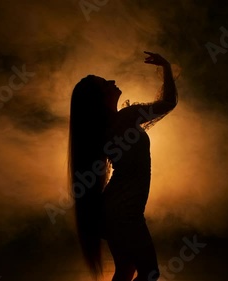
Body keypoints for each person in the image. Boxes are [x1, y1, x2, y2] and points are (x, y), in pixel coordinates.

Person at [68, 51, 178, 281]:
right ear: (99, 98)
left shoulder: (98, 131)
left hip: (114, 209)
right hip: (124, 211)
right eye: (105, 84)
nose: (112, 82)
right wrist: (166, 68)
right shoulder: (128, 117)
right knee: (149, 272)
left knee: (126, 271)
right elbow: (168, 103)